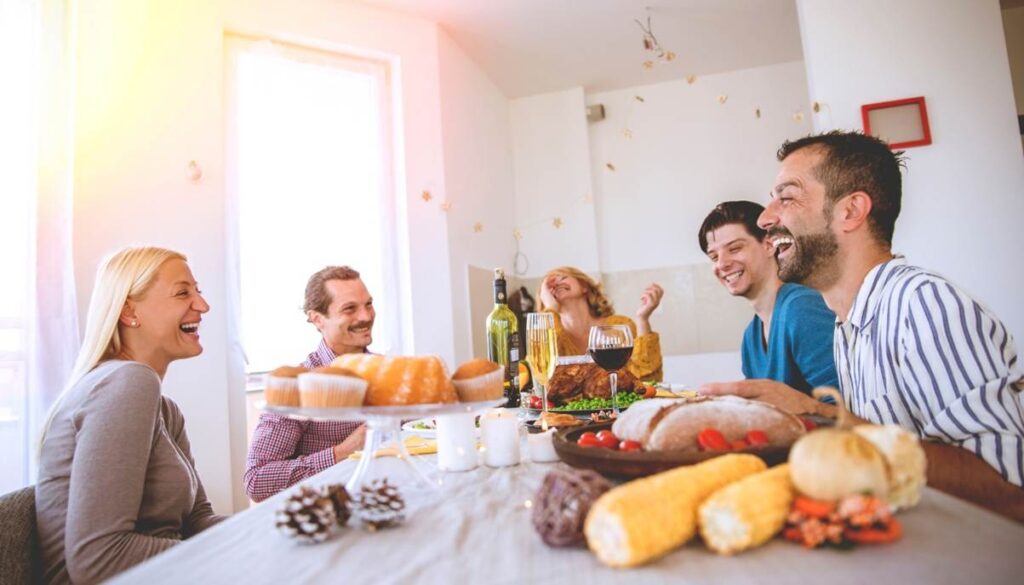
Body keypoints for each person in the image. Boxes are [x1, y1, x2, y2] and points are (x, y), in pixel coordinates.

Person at [702, 131, 1024, 521]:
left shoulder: (923, 304)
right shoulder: (846, 324)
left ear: (851, 211)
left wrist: (818, 415)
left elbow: (1008, 490)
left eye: (786, 197)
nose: (766, 218)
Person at [36, 247, 226, 584]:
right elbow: (98, 559)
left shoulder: (165, 410)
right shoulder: (127, 382)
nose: (202, 305)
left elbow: (197, 522)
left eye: (198, 291)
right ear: (128, 311)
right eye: (183, 292)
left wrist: (273, 524)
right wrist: (244, 548)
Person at [244, 266, 373, 502]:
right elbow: (257, 481)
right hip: (328, 515)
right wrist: (342, 452)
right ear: (318, 319)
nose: (365, 316)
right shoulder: (296, 385)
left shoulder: (392, 374)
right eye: (350, 309)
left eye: (368, 304)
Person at [698, 200, 838, 394]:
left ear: (768, 245)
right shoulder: (751, 337)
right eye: (714, 257)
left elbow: (842, 406)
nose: (722, 264)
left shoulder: (800, 309)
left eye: (735, 248)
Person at [538, 266, 664, 382]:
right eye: (549, 287)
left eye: (563, 277)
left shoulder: (619, 325)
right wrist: (550, 309)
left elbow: (649, 378)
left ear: (584, 286)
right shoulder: (552, 334)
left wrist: (642, 319)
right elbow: (540, 372)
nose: (556, 284)